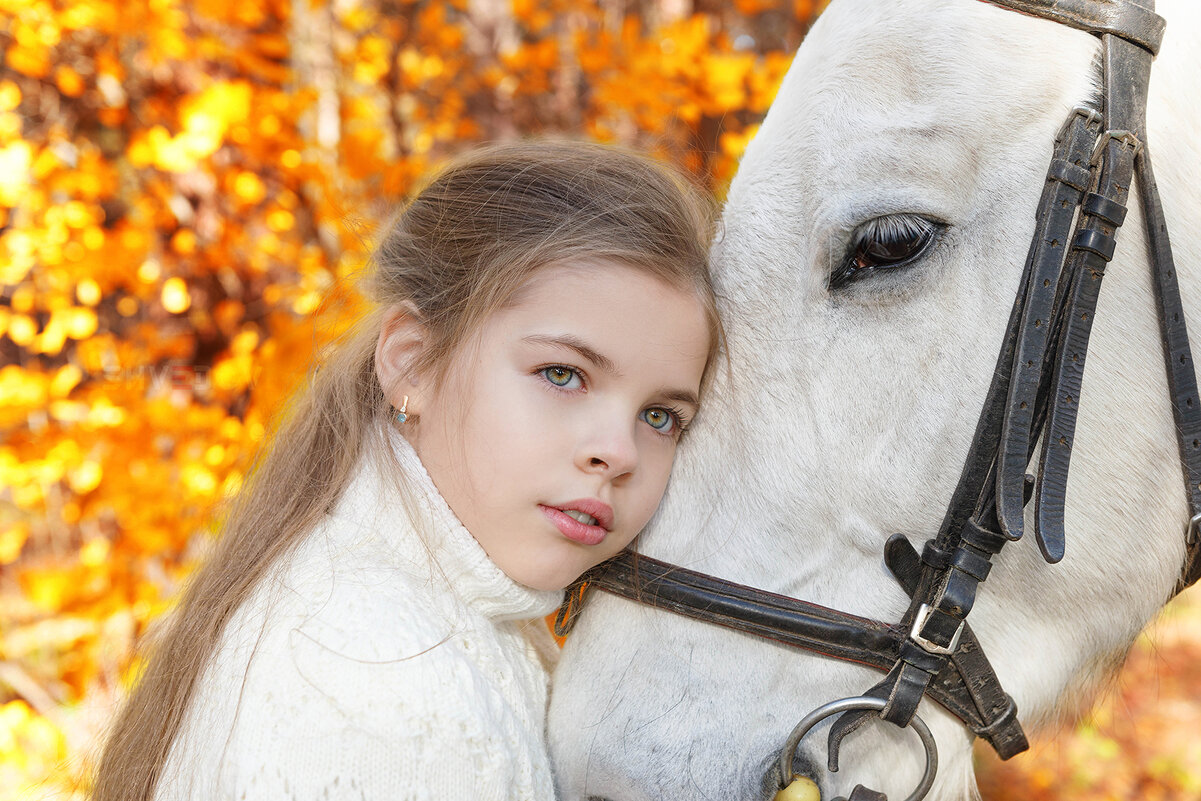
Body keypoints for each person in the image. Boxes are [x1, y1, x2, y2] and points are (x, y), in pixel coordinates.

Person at [92, 141, 722, 801]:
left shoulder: (446, 615)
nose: (617, 452)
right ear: (412, 363)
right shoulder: (384, 675)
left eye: (659, 417)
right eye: (561, 374)